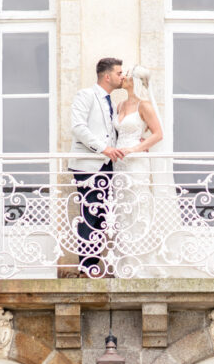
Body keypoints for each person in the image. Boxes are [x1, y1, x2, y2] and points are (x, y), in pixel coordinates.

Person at [67, 57, 125, 278]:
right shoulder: (86, 95)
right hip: (89, 164)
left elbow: (112, 131)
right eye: (119, 73)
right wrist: (103, 149)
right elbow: (78, 127)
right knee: (89, 212)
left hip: (107, 165)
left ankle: (94, 263)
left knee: (101, 214)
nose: (122, 77)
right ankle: (86, 267)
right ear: (107, 76)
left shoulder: (110, 101)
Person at [111, 65, 169, 277]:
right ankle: (125, 261)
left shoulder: (144, 106)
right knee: (122, 209)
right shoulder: (120, 105)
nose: (123, 77)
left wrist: (136, 148)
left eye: (127, 74)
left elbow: (158, 134)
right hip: (120, 164)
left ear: (134, 81)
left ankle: (142, 264)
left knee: (138, 208)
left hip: (136, 162)